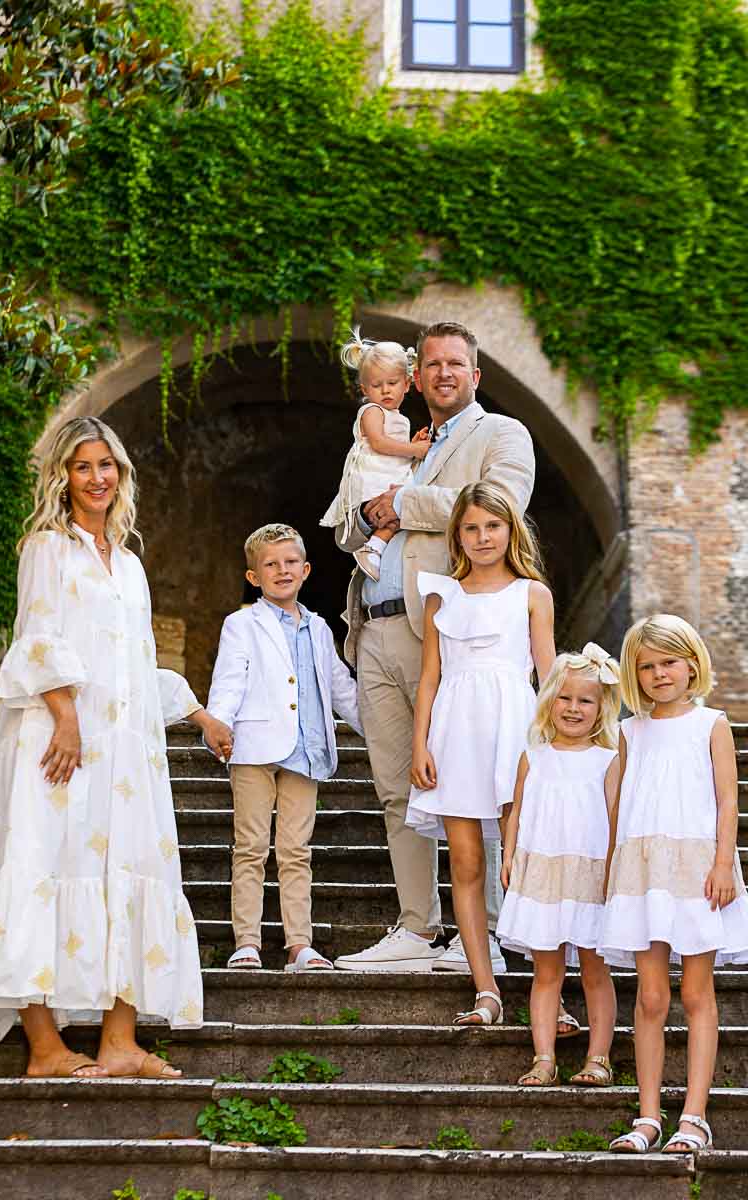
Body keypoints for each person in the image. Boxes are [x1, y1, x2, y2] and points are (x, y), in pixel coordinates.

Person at [0, 416, 222, 1078]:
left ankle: (120, 1041)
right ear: (63, 475)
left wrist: (194, 714)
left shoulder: (131, 564)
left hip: (125, 756)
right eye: (83, 466)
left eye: (105, 464)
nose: (97, 477)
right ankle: (46, 1049)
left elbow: (135, 664)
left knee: (132, 870)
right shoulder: (48, 549)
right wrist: (65, 717)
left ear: (120, 472)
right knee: (40, 863)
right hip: (60, 744)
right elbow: (37, 638)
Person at [332, 319, 536, 979]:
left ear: (475, 376)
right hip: (376, 628)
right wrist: (366, 516)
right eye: (433, 364)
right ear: (416, 377)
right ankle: (417, 925)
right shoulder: (392, 438)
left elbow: (500, 503)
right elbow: (346, 522)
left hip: (454, 638)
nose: (443, 373)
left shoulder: (501, 434)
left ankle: (494, 934)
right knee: (397, 786)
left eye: (456, 363)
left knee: (479, 786)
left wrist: (404, 501)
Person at [408, 482, 555, 1024]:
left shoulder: (532, 595)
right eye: (471, 528)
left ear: (510, 530)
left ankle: (550, 989)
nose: (482, 537)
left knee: (525, 861)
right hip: (455, 731)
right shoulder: (441, 595)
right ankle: (486, 988)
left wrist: (551, 750)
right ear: (458, 536)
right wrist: (420, 742)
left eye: (492, 526)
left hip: (515, 729)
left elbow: (548, 675)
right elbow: (429, 677)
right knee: (466, 863)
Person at [603, 614, 748, 1154]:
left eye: (669, 662)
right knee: (651, 996)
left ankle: (693, 1117)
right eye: (646, 666)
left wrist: (723, 863)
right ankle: (646, 1117)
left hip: (696, 871)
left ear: (692, 664)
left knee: (695, 992)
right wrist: (615, 873)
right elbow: (618, 806)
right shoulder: (627, 731)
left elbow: (728, 799)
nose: (659, 673)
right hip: (643, 872)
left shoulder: (711, 723)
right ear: (633, 675)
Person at [203, 523, 363, 972]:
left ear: (307, 569)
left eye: (291, 562)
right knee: (251, 845)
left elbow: (340, 687)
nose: (282, 570)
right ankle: (247, 941)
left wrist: (378, 730)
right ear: (254, 577)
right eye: (270, 564)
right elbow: (230, 678)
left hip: (306, 751)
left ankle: (299, 944)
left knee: (297, 850)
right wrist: (218, 722)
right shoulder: (242, 624)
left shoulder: (318, 627)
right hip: (254, 747)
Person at [497, 645, 620, 1086]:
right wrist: (509, 856)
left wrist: (612, 872)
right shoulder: (534, 757)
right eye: (565, 698)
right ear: (549, 700)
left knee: (594, 969)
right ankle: (544, 1057)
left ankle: (599, 1057)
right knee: (546, 971)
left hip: (590, 876)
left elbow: (613, 821)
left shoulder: (608, 761)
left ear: (602, 706)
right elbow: (518, 811)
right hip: (544, 874)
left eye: (585, 700)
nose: (573, 708)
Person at [320, 329, 428, 582]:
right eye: (377, 385)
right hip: (372, 477)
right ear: (365, 389)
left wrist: (411, 447)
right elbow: (379, 443)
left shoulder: (400, 418)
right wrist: (414, 450)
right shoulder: (372, 411)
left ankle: (378, 551)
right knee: (397, 511)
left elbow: (393, 450)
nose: (385, 391)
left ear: (407, 384)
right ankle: (373, 549)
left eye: (392, 383)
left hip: (387, 472)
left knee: (403, 511)